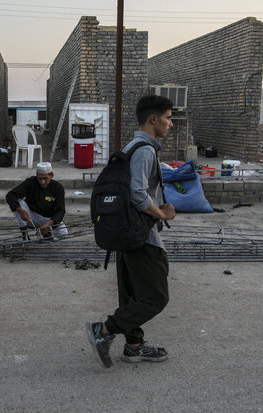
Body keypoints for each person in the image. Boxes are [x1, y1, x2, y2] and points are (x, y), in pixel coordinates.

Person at [86, 95, 176, 368]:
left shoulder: (132, 145)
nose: (170, 124)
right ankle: (103, 331)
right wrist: (161, 213)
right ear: (153, 119)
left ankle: (134, 346)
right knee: (155, 296)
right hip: (140, 234)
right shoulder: (146, 150)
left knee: (131, 293)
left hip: (125, 231)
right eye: (168, 118)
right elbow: (137, 192)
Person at [6, 162, 67, 240]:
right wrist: (21, 211)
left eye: (45, 178)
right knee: (20, 204)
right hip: (31, 216)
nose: (42, 182)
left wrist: (49, 223)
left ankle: (47, 233)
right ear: (36, 175)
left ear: (51, 175)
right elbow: (10, 195)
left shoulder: (58, 188)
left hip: (49, 219)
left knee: (63, 234)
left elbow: (61, 211)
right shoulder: (31, 182)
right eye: (40, 178)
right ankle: (25, 236)